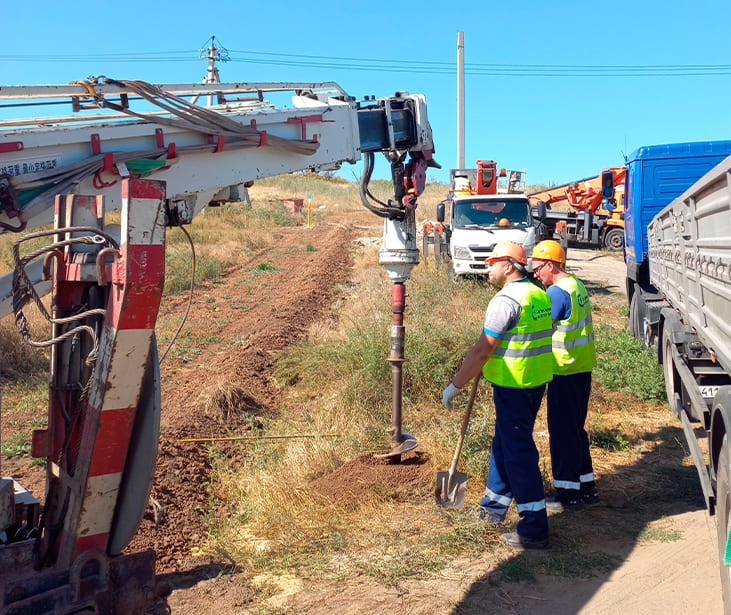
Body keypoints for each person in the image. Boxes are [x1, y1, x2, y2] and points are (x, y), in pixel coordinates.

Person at [442, 240, 554, 550]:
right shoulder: (537, 294)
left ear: (508, 266)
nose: (488, 267)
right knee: (503, 444)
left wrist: (455, 386)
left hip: (514, 385)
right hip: (534, 381)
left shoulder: (506, 301)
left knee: (518, 453)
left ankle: (534, 527)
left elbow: (482, 350)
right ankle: (493, 509)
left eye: (493, 262)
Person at [531, 240, 599, 512]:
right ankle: (586, 486)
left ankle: (567, 493)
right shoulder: (577, 285)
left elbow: (539, 328)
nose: (536, 275)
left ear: (550, 265)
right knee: (575, 429)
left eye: (537, 269)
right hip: (581, 368)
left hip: (564, 369)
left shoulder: (557, 294)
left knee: (561, 432)